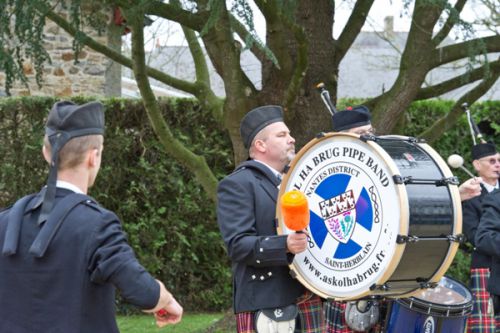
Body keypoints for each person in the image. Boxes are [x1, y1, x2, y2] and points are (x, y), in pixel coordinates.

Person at [0, 101, 183, 332]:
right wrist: (165, 301)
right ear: (94, 156)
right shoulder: (98, 224)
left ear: (46, 153)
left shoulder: (5, 221)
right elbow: (142, 291)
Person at [217, 105, 324, 333]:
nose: (292, 139)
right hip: (266, 302)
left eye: (289, 133)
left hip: (308, 297)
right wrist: (283, 244)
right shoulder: (238, 184)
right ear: (260, 145)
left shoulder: (297, 182)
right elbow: (237, 245)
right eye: (282, 135)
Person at [324, 105, 377, 333]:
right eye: (360, 134)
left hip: (377, 266)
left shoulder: (381, 167)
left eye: (370, 131)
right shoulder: (328, 171)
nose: (369, 138)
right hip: (344, 266)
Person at [463, 143, 500, 333]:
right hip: (485, 266)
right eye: (492, 161)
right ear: (477, 165)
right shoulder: (469, 195)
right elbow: (476, 236)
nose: (497, 165)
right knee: (485, 327)